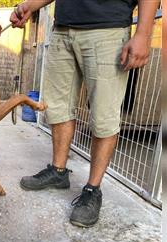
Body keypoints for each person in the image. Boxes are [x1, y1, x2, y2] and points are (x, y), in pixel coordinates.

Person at [10, 0, 160, 227]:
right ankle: (58, 172)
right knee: (57, 108)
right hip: (62, 30)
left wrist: (144, 33)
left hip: (107, 31)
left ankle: (92, 190)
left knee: (104, 117)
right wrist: (29, 6)